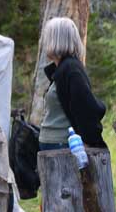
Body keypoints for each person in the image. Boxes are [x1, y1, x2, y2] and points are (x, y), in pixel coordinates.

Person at [38, 17, 108, 151]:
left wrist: (89, 140)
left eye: (48, 37)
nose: (44, 42)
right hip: (54, 144)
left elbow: (85, 107)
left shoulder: (71, 69)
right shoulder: (60, 69)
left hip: (63, 144)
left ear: (57, 40)